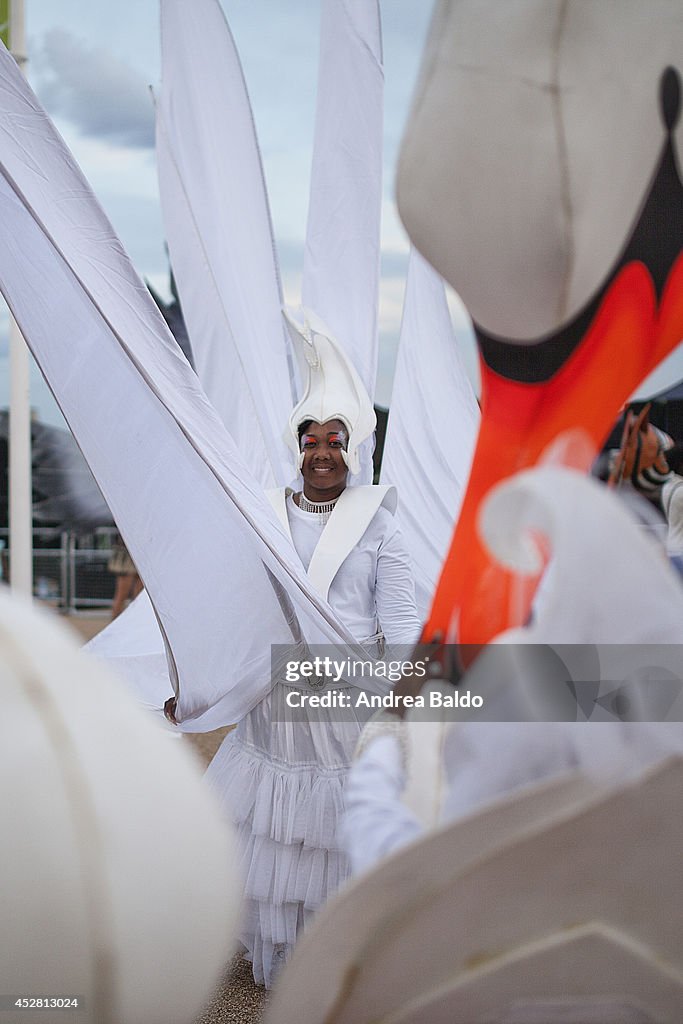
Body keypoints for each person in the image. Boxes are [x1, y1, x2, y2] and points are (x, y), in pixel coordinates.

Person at [203, 312, 421, 986]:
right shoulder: (260, 513)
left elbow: (402, 628)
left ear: (351, 449)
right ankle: (282, 956)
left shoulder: (382, 525)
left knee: (331, 826)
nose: (320, 453)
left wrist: (406, 703)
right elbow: (231, 610)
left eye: (333, 441)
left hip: (343, 710)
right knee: (276, 829)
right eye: (309, 441)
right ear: (296, 447)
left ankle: (333, 954)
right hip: (274, 707)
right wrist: (200, 682)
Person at [107, 532, 143, 620]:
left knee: (139, 597)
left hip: (140, 552)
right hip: (126, 553)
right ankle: (115, 623)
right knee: (122, 595)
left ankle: (136, 622)